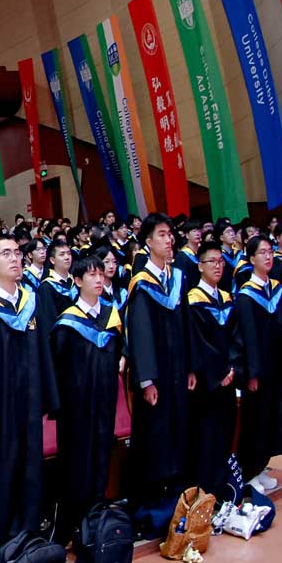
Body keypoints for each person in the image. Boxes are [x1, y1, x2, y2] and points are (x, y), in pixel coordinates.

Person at [0, 235, 58, 558]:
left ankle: (29, 537)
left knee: (31, 469)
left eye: (18, 253)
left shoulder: (31, 303)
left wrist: (48, 399)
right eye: (7, 254)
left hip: (29, 407)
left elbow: (44, 351)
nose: (16, 259)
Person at [50, 256, 124, 537]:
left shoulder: (110, 316)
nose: (98, 279)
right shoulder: (67, 323)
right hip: (76, 408)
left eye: (100, 274)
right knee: (77, 459)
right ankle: (75, 519)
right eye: (90, 275)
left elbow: (116, 355)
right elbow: (58, 367)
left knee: (102, 453)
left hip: (103, 402)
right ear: (78, 281)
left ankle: (97, 512)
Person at [123, 214, 189, 506]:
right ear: (148, 242)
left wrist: (189, 367)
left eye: (170, 234)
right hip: (156, 377)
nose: (169, 239)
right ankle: (151, 499)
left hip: (177, 370)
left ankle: (175, 490)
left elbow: (185, 326)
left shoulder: (175, 279)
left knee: (176, 427)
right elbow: (140, 335)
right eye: (161, 235)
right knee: (155, 432)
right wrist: (146, 379)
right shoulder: (142, 284)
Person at [234, 236, 282, 492]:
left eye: (270, 252)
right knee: (255, 421)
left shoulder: (277, 289)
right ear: (251, 259)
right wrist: (252, 374)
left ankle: (263, 466)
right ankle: (249, 472)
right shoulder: (246, 296)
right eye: (262, 253)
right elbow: (247, 339)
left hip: (275, 368)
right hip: (258, 372)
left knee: (272, 418)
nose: (268, 257)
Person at [183, 241, 240, 498]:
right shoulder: (193, 301)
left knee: (227, 430)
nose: (218, 266)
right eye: (211, 262)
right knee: (208, 435)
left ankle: (223, 486)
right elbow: (199, 344)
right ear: (200, 266)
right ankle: (207, 492)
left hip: (227, 378)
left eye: (220, 261)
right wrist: (218, 373)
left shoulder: (227, 298)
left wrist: (232, 367)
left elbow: (236, 338)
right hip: (209, 383)